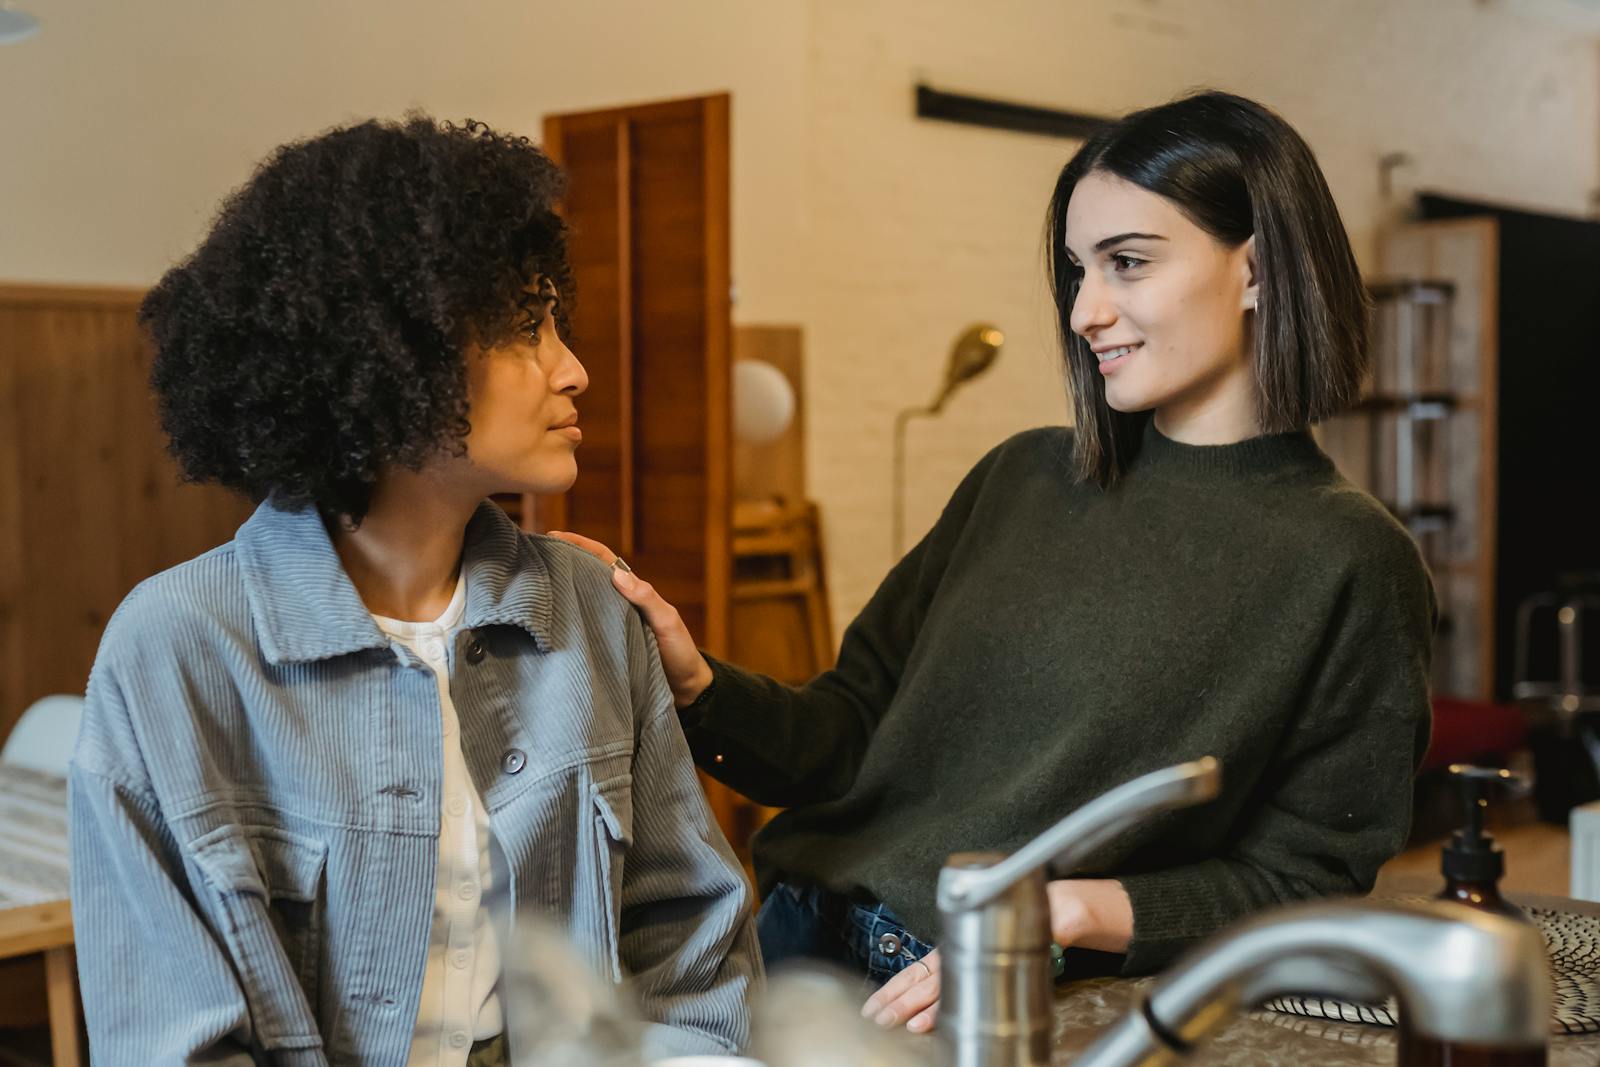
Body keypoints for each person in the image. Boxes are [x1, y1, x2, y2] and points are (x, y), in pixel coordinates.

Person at [552, 90, 1434, 1035]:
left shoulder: (1349, 559)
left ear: (1257, 268)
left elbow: (1305, 877)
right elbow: (845, 736)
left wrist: (1072, 909)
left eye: (1127, 263)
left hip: (983, 994)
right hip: (788, 940)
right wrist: (697, 686)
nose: (1088, 311)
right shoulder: (1019, 477)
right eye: (1076, 271)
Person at [68, 114, 761, 1066]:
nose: (574, 368)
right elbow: (170, 1036)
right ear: (394, 353)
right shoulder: (180, 646)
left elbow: (686, 952)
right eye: (527, 328)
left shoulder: (596, 607)